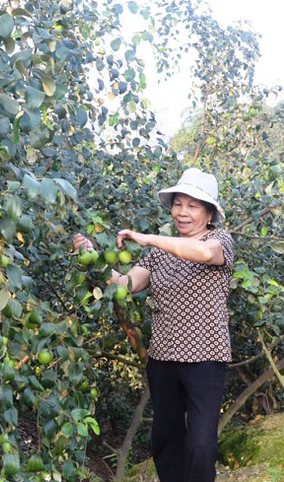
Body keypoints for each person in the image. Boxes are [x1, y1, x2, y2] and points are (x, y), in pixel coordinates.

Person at [73, 167, 234, 482]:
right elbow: (125, 284)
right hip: (163, 360)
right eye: (178, 204)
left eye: (192, 206)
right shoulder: (161, 254)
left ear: (209, 213)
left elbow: (202, 253)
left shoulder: (219, 241)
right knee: (165, 440)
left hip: (205, 359)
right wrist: (91, 256)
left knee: (201, 445)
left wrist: (147, 239)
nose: (182, 212)